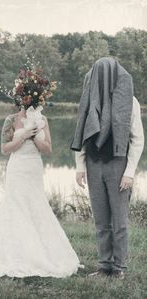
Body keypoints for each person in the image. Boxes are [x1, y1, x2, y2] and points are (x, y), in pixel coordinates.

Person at [0, 102, 82, 279]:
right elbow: (5, 149)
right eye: (26, 100)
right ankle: (16, 251)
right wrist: (23, 135)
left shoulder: (43, 120)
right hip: (17, 168)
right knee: (15, 206)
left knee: (36, 205)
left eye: (33, 100)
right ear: (21, 100)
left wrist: (35, 137)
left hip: (34, 168)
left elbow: (48, 149)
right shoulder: (10, 120)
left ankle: (41, 251)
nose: (29, 104)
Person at [71, 57, 144, 279]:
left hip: (118, 166)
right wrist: (80, 167)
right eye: (97, 71)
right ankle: (104, 266)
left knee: (119, 221)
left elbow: (138, 139)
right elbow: (82, 135)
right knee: (101, 221)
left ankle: (119, 268)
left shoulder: (130, 101)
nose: (101, 76)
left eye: (106, 72)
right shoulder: (88, 100)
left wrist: (129, 173)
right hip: (94, 165)